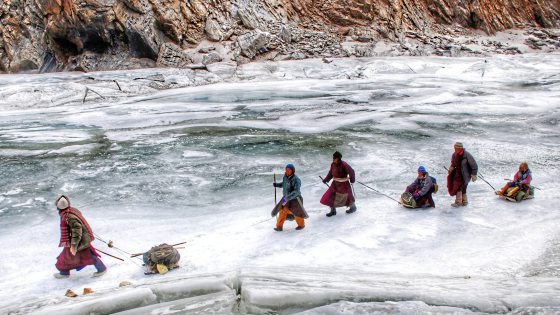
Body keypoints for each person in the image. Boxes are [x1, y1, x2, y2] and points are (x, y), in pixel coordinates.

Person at [54, 195, 107, 278]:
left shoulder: (69, 216)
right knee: (66, 257)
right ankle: (64, 273)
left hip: (79, 242)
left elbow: (77, 231)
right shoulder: (71, 211)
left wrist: (74, 245)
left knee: (87, 256)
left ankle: (102, 269)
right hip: (78, 240)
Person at [271, 164, 308, 231]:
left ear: (292, 170)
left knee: (296, 212)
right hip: (286, 198)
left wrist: (288, 197)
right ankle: (279, 226)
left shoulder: (296, 179)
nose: (287, 171)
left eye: (289, 169)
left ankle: (301, 225)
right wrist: (277, 185)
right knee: (282, 210)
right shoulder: (285, 177)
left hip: (295, 199)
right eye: (286, 169)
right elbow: (283, 184)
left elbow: (297, 191)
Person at [320, 151, 357, 217]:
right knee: (330, 195)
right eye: (333, 158)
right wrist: (326, 179)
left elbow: (351, 172)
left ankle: (353, 207)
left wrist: (352, 180)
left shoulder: (344, 164)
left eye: (335, 158)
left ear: (339, 158)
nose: (333, 159)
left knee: (348, 196)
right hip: (335, 183)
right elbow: (330, 173)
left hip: (344, 184)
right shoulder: (333, 164)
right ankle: (333, 210)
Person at [446, 142, 478, 207]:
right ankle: (464, 201)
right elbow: (453, 164)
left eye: (456, 148)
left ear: (460, 148)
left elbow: (474, 165)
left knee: (460, 187)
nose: (455, 149)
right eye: (454, 148)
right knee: (461, 187)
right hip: (457, 174)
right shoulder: (454, 155)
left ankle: (458, 202)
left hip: (465, 175)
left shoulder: (467, 155)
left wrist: (474, 174)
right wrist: (451, 169)